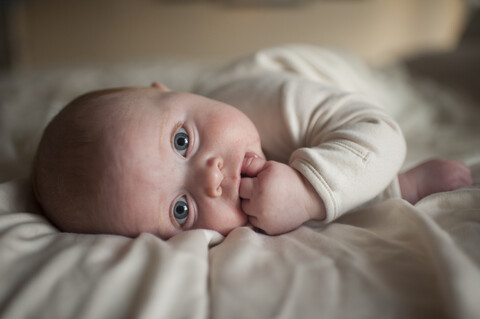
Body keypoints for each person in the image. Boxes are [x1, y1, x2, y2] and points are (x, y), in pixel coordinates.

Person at [31, 45, 473, 239]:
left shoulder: (269, 100)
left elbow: (381, 132)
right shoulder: (234, 155)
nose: (211, 179)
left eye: (182, 141)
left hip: (375, 87)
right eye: (181, 210)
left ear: (166, 91)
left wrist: (308, 193)